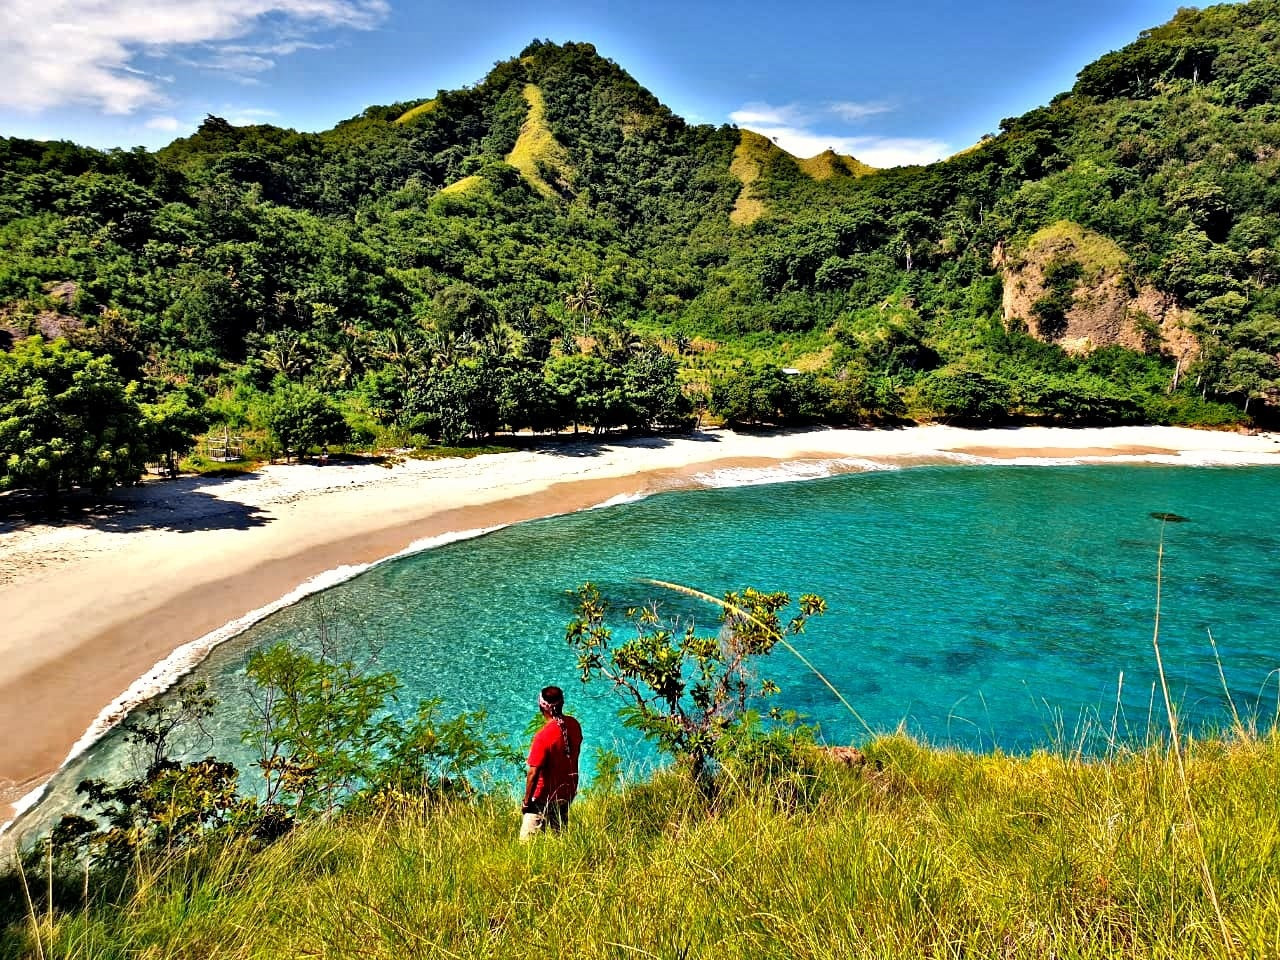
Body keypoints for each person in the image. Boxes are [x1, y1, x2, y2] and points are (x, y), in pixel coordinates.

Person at [520, 685, 582, 839]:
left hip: (542, 798)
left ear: (542, 706)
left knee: (526, 846)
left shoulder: (543, 737)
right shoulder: (574, 725)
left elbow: (533, 773)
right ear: (562, 703)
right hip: (566, 792)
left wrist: (527, 802)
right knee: (560, 839)